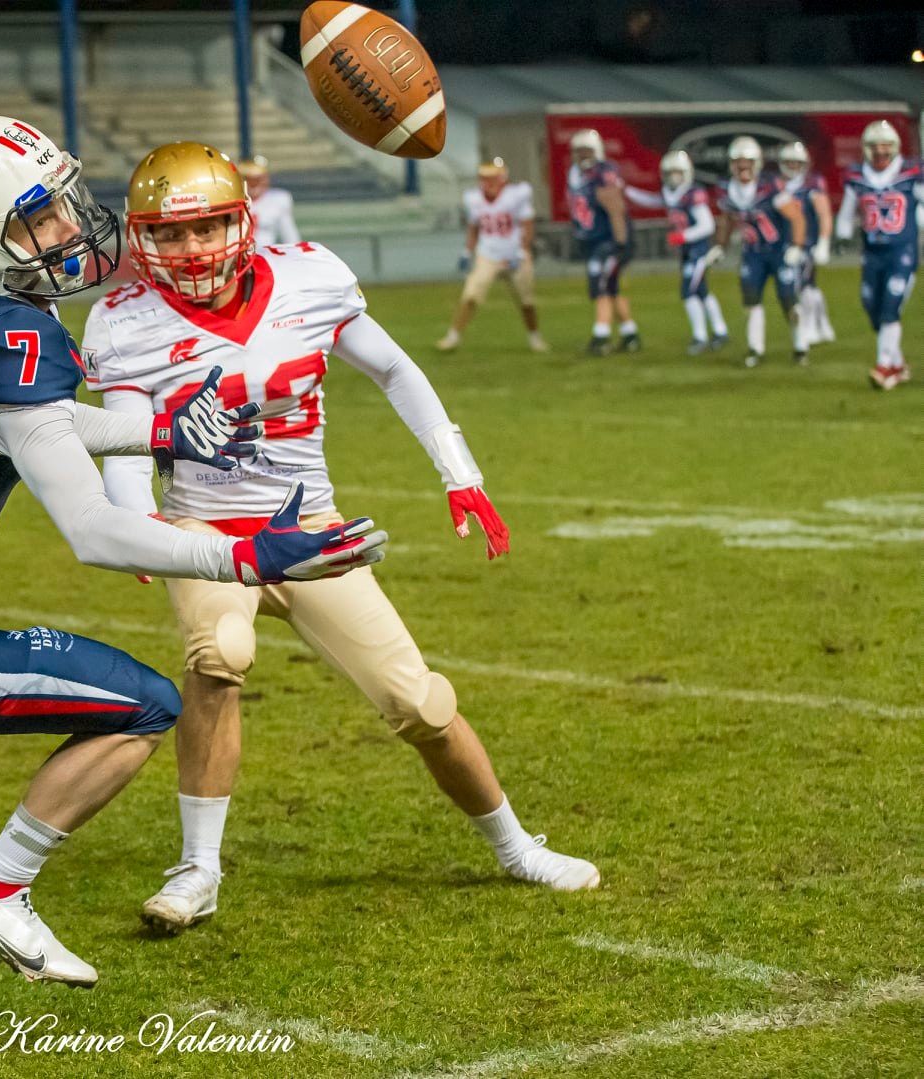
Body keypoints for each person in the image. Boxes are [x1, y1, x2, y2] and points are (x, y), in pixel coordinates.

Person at [0, 117, 386, 1010]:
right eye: (37, 219)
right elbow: (94, 529)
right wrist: (246, 552)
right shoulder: (10, 341)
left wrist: (159, 426)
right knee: (145, 705)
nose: (68, 227)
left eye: (61, 203)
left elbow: (24, 429)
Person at [84, 142, 600, 938]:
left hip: (308, 529)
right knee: (220, 653)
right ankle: (197, 868)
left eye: (208, 228)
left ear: (243, 220)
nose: (190, 251)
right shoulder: (124, 320)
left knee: (418, 702)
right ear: (141, 237)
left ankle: (514, 845)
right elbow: (121, 438)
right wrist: (138, 524)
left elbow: (395, 370)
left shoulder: (309, 276)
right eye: (170, 234)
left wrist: (457, 469)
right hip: (205, 530)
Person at [834, 120, 921, 391]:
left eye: (886, 146)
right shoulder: (856, 176)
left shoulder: (911, 173)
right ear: (865, 149)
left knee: (889, 309)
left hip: (902, 252)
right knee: (872, 309)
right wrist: (842, 234)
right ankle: (897, 364)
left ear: (895, 148)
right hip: (872, 253)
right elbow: (848, 211)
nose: (881, 152)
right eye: (875, 146)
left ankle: (884, 366)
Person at [706, 137, 808, 368]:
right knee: (751, 300)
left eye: (747, 163)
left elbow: (796, 216)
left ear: (757, 164)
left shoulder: (770, 186)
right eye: (738, 163)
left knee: (789, 301)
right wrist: (719, 246)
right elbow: (728, 220)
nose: (743, 168)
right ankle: (755, 348)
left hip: (779, 250)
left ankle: (800, 346)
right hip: (752, 252)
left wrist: (796, 245)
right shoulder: (727, 190)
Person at [436, 157, 547, 353]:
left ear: (502, 178)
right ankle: (453, 337)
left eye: (492, 178)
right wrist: (466, 252)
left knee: (526, 301)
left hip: (515, 253)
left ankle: (535, 337)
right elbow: (473, 229)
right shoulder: (474, 198)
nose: (487, 183)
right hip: (488, 254)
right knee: (470, 295)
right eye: (484, 178)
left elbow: (527, 227)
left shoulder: (516, 195)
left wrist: (521, 252)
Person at [625, 150, 729, 354]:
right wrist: (627, 191)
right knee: (701, 291)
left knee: (688, 291)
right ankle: (720, 331)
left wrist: (682, 236)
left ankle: (700, 336)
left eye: (677, 173)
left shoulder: (693, 194)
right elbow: (652, 201)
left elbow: (707, 225)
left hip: (698, 249)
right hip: (687, 250)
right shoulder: (669, 193)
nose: (673, 177)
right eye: (669, 173)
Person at [566, 129, 637, 355]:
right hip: (593, 240)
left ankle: (601, 336)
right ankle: (630, 334)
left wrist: (620, 242)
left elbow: (616, 207)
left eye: (587, 151)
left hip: (609, 240)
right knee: (612, 288)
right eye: (579, 151)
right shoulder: (575, 173)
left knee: (601, 286)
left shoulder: (603, 172)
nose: (583, 155)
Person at [779, 142, 835, 347]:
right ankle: (823, 324)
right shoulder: (777, 185)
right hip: (786, 243)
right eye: (789, 162)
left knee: (803, 285)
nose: (793, 166)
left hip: (807, 243)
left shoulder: (813, 183)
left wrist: (823, 241)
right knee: (806, 285)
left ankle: (812, 325)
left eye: (797, 162)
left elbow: (823, 214)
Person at [238, 155, 299, 246]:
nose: (254, 184)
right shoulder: (233, 200)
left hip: (265, 255)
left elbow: (289, 235)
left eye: (258, 179)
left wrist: (296, 252)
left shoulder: (278, 200)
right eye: (250, 180)